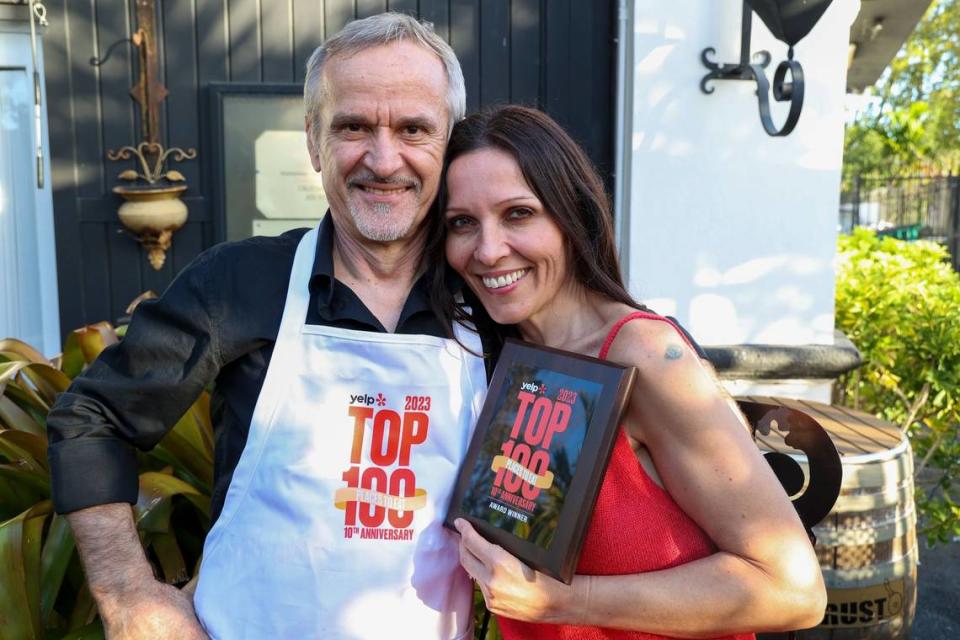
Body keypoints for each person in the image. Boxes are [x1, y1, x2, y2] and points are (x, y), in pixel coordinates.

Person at [46, 13, 487, 640]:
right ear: (313, 141)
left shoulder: (488, 300)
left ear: (450, 145)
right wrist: (126, 594)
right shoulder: (237, 284)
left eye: (414, 129)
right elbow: (92, 419)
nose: (384, 159)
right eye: (353, 126)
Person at [431, 105, 827, 639]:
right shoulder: (492, 364)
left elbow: (793, 591)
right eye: (462, 223)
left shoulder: (645, 355)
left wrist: (565, 601)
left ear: (572, 216)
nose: (489, 248)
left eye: (519, 213)